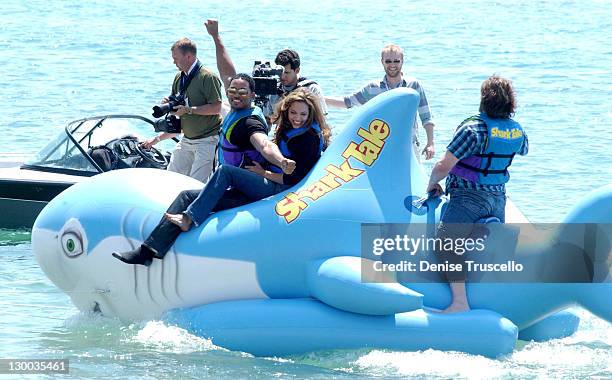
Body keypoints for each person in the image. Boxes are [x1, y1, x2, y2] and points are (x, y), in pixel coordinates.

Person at [113, 89, 330, 266]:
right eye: (293, 113)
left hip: (281, 191)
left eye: (302, 114)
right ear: (287, 110)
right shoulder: (288, 128)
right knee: (186, 196)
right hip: (266, 183)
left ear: (310, 115)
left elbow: (294, 180)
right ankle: (148, 251)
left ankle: (189, 219)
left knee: (225, 172)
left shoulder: (308, 139)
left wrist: (262, 173)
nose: (297, 118)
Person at [425, 75, 528, 313]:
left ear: (484, 99)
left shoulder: (472, 129)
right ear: (510, 103)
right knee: (473, 243)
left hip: (467, 199)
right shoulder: (516, 131)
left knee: (446, 244)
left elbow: (443, 165)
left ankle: (460, 302)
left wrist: (431, 184)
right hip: (498, 201)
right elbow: (524, 149)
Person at [325, 44, 435, 161]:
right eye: (388, 61)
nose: (392, 65)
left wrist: (430, 143)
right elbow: (347, 102)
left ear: (402, 61)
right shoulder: (373, 88)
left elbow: (426, 117)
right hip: (379, 149)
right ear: (382, 62)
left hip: (409, 147)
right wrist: (318, 98)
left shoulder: (414, 86)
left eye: (396, 61)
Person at [142, 37, 223, 182]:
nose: (174, 62)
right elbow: (178, 110)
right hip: (186, 139)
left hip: (207, 140)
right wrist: (156, 139)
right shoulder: (179, 78)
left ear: (189, 56)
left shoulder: (207, 77)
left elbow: (216, 107)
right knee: (171, 179)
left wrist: (189, 110)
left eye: (176, 59)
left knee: (196, 183)